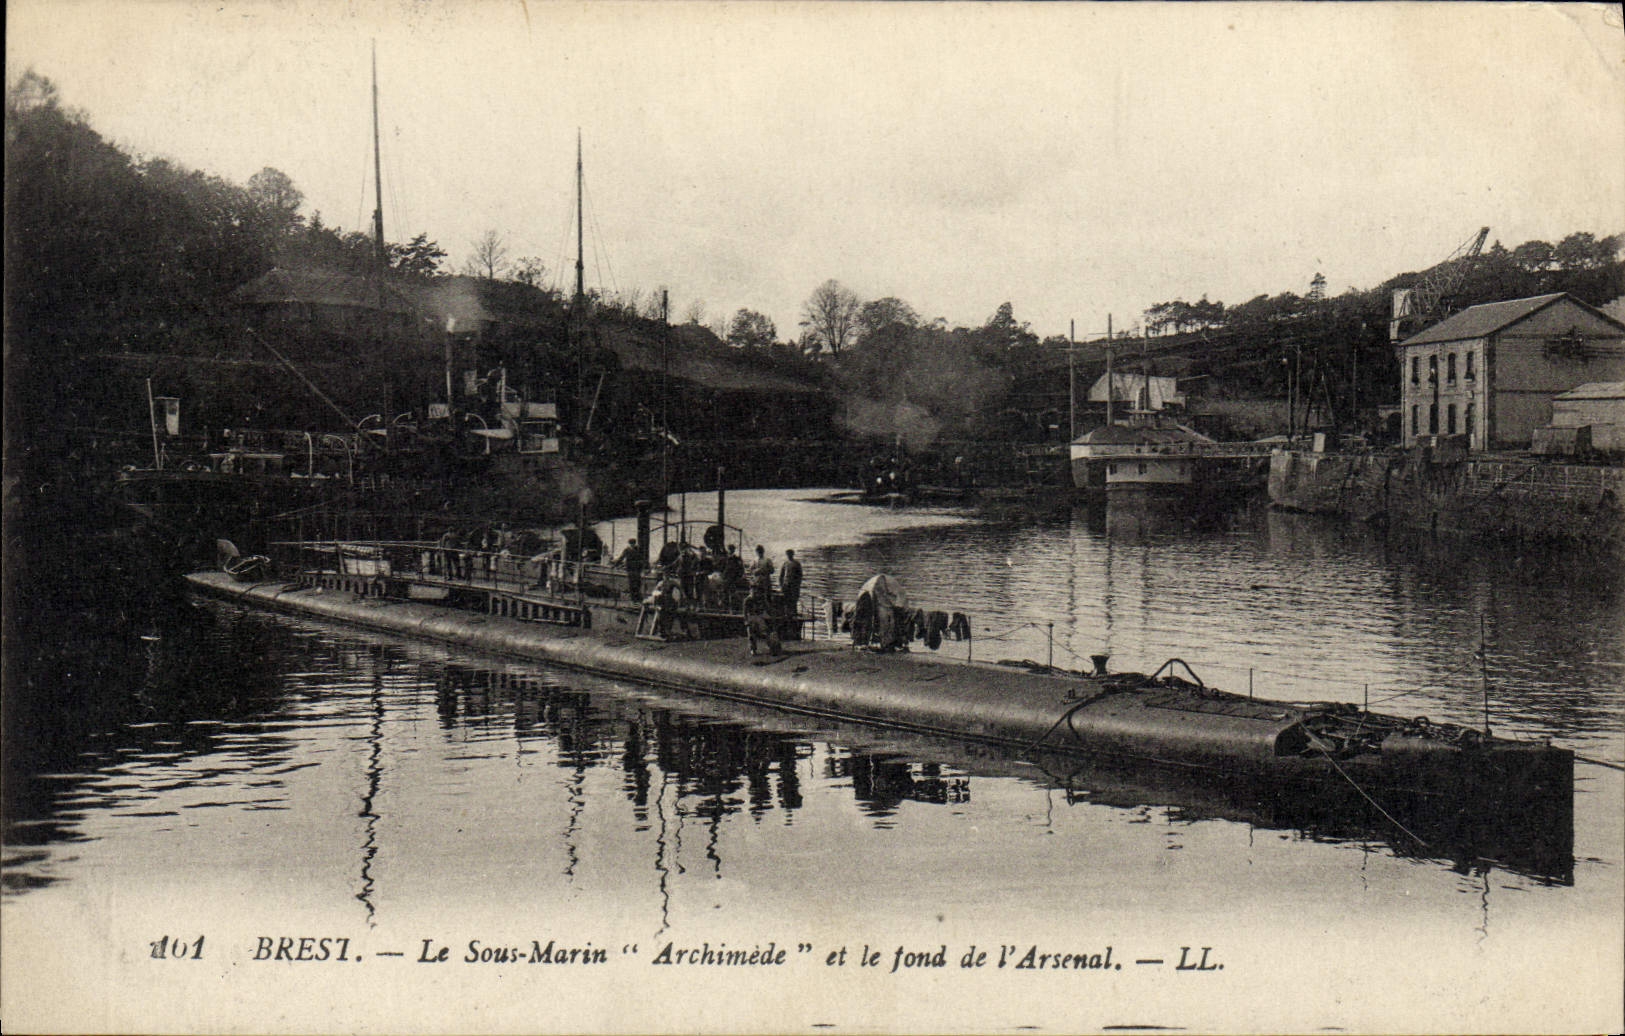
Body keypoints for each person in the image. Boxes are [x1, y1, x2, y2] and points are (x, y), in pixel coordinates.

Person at [743, 586, 781, 657]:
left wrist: (772, 615)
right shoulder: (747, 600)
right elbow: (745, 612)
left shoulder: (761, 598)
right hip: (751, 617)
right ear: (750, 591)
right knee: (751, 633)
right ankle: (753, 649)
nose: (754, 593)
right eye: (752, 591)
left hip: (760, 616)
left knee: (767, 631)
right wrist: (746, 621)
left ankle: (772, 646)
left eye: (755, 591)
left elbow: (767, 608)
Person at [779, 548, 803, 615]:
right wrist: (781, 585)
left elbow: (800, 575)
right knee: (786, 600)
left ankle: (794, 613)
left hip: (794, 585)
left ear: (793, 554)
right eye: (788, 554)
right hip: (786, 585)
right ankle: (787, 614)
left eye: (790, 554)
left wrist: (798, 584)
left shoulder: (796, 563)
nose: (789, 556)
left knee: (794, 600)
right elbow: (781, 575)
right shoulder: (785, 563)